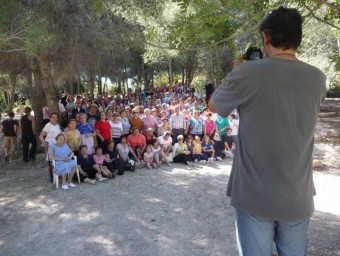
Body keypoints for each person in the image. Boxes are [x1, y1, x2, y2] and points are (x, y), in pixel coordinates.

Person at [208, 7, 326, 256]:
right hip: (298, 194)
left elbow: (215, 106)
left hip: (254, 194)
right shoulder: (318, 78)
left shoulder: (248, 73)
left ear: (265, 38)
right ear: (298, 38)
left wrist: (235, 71)